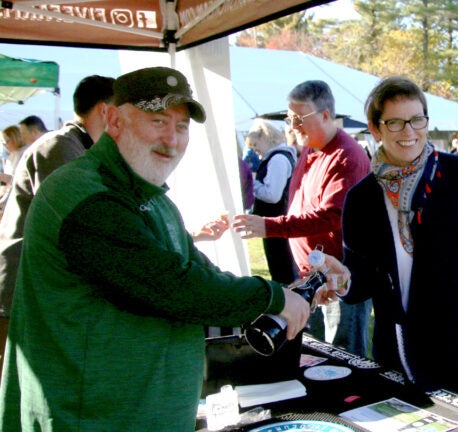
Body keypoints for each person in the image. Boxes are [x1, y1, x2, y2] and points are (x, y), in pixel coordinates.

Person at [0, 66, 327, 431]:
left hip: (140, 412)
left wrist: (289, 292)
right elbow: (172, 286)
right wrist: (272, 297)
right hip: (88, 415)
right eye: (158, 120)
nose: (172, 139)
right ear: (113, 119)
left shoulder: (153, 199)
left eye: (182, 126)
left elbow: (202, 273)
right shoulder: (85, 195)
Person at [319, 76, 458, 403]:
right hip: (402, 349)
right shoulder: (362, 198)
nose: (409, 132)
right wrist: (342, 279)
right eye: (395, 123)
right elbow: (361, 282)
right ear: (376, 128)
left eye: (417, 120)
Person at [233, 80, 372, 357]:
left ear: (324, 115)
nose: (292, 126)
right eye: (290, 118)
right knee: (312, 348)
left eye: (299, 118)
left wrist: (269, 226)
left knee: (342, 352)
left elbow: (331, 217)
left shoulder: (347, 156)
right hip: (311, 274)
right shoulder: (309, 148)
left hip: (338, 275)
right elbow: (298, 203)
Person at [0, 76, 115, 370]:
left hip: (32, 288)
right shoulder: (61, 148)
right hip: (19, 289)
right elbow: (80, 222)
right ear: (105, 111)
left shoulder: (75, 146)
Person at [246, 118, 298, 284]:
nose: (255, 150)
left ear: (265, 138)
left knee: (282, 269)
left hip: (277, 223)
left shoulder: (278, 159)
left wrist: (252, 183)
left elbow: (272, 195)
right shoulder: (278, 157)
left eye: (255, 145)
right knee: (281, 268)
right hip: (275, 224)